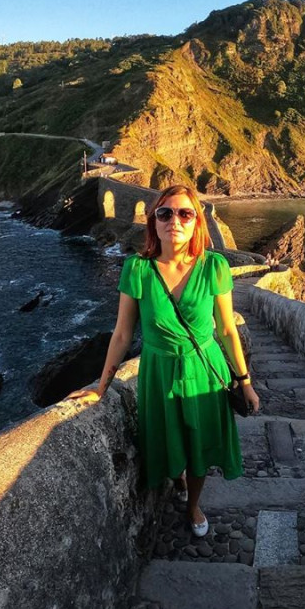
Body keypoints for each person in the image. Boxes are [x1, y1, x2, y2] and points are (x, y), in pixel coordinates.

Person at [66, 185, 259, 537]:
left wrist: (244, 382)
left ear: (197, 222)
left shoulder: (214, 266)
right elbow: (122, 334)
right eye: (165, 213)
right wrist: (100, 387)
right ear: (153, 222)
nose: (174, 221)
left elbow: (228, 331)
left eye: (185, 213)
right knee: (168, 443)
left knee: (200, 445)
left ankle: (194, 504)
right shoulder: (137, 270)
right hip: (158, 371)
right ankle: (178, 479)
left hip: (204, 370)